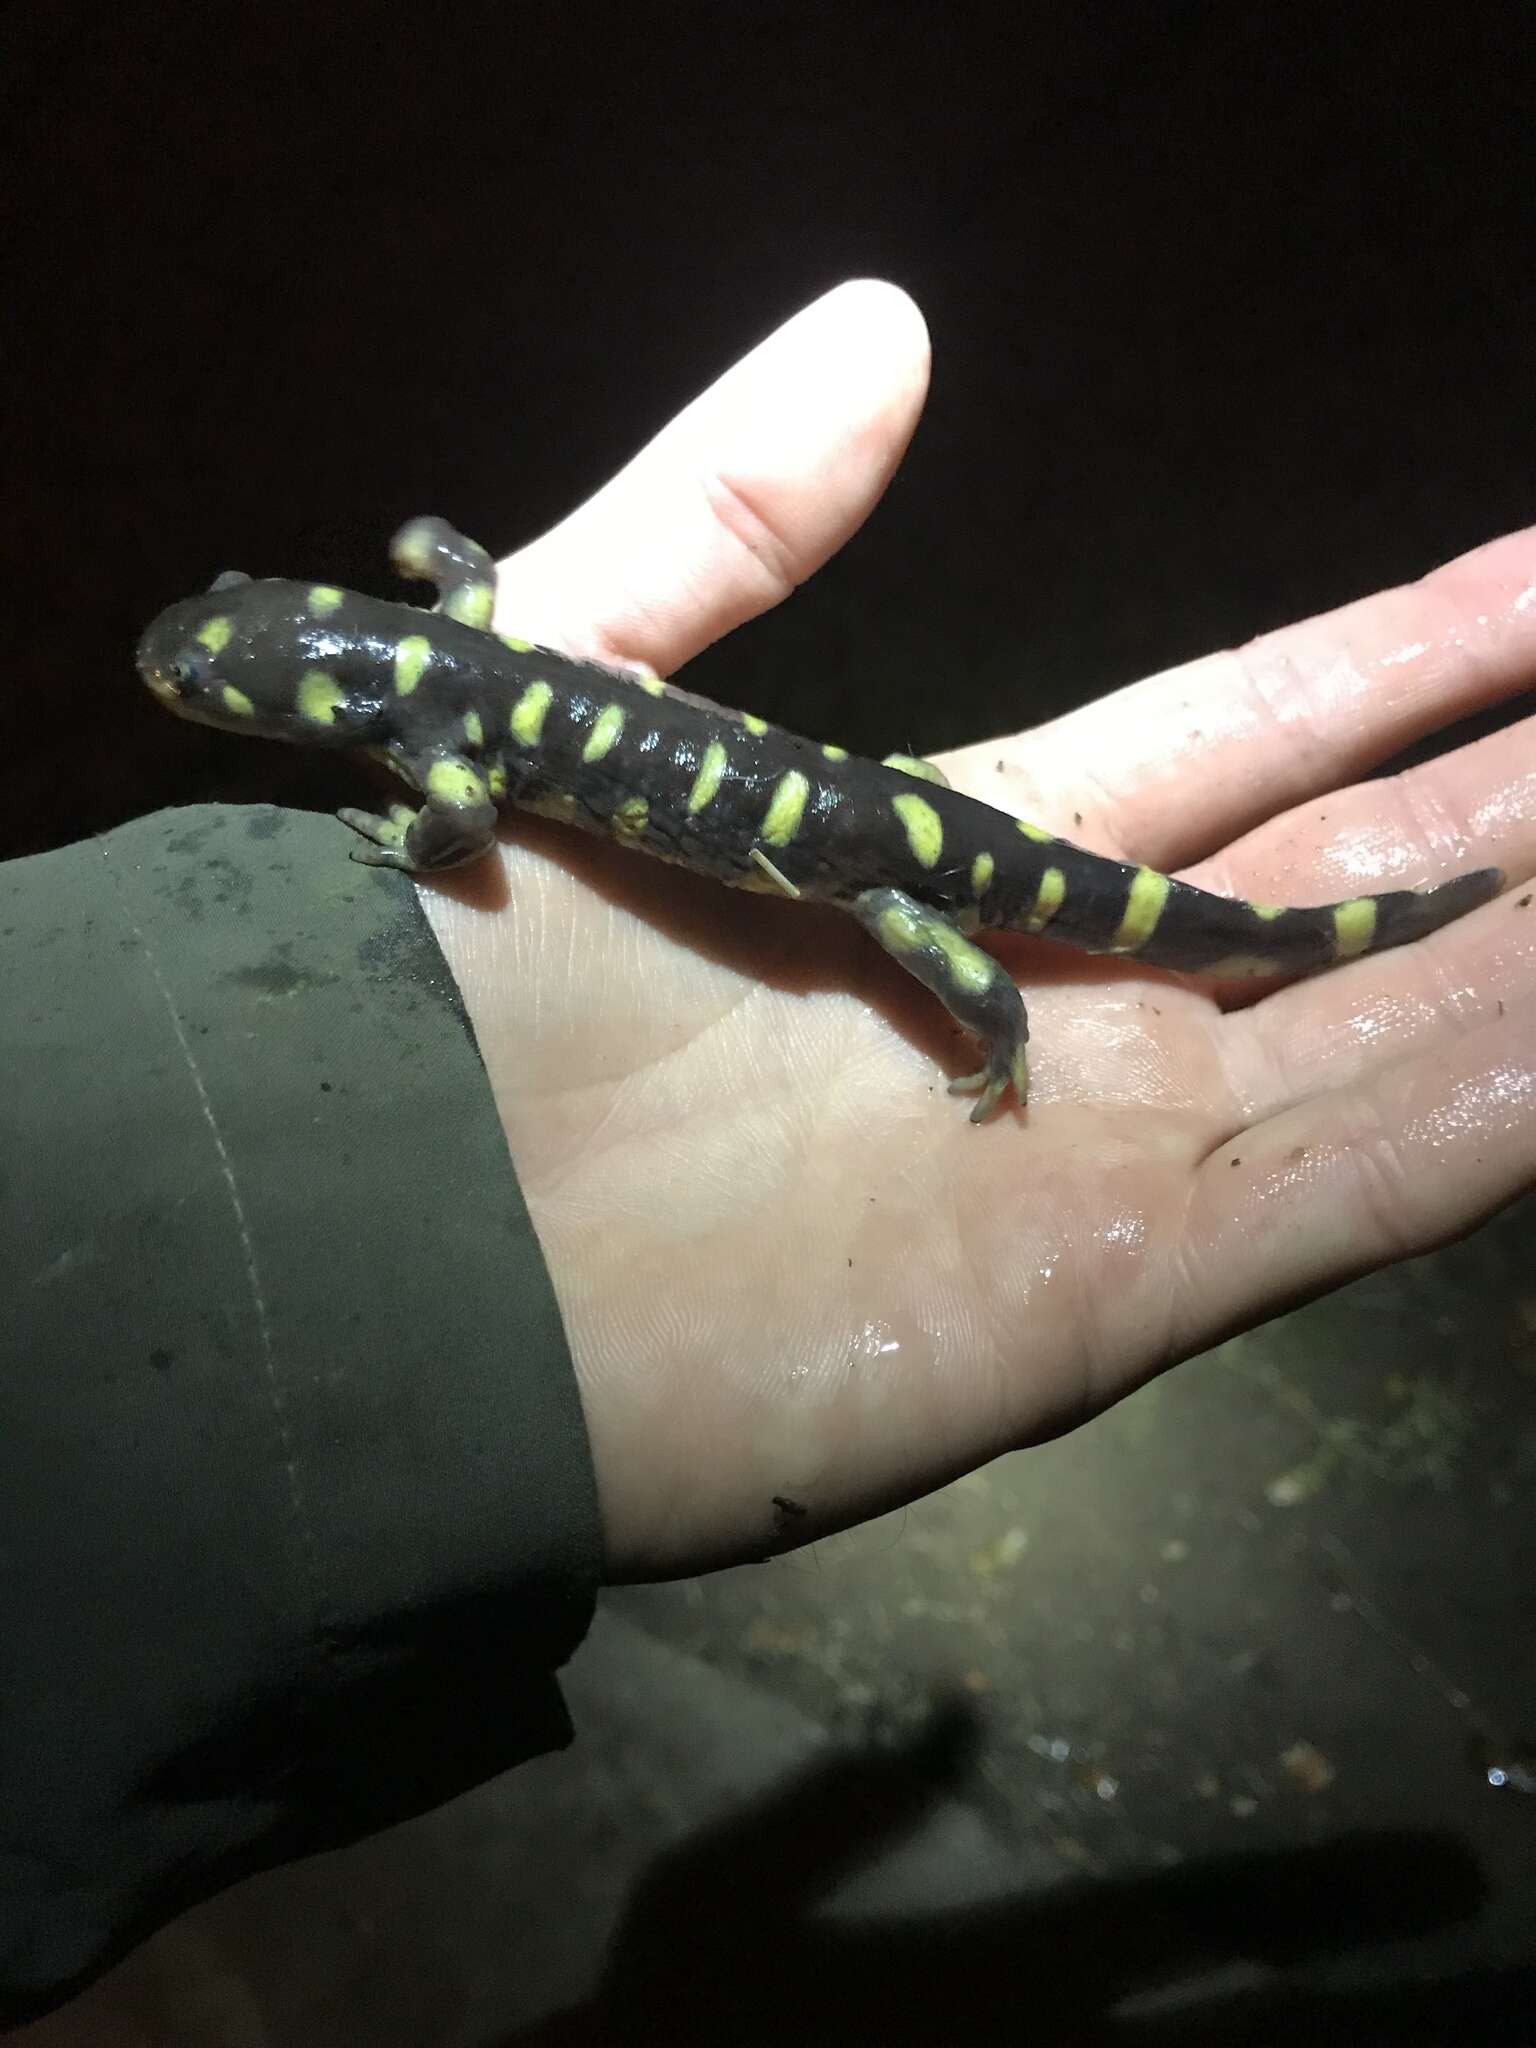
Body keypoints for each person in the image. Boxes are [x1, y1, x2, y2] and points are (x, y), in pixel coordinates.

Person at [4, 280, 1532, 2026]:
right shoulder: (456, 654)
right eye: (215, 665)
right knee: (961, 895)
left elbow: (451, 822)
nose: (200, 677)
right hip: (851, 808)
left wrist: (1000, 1017)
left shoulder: (433, 720)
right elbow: (464, 582)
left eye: (218, 665)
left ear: (305, 672)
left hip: (885, 855)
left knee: (976, 933)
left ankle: (1107, 991)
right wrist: (441, 555)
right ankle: (1231, 950)